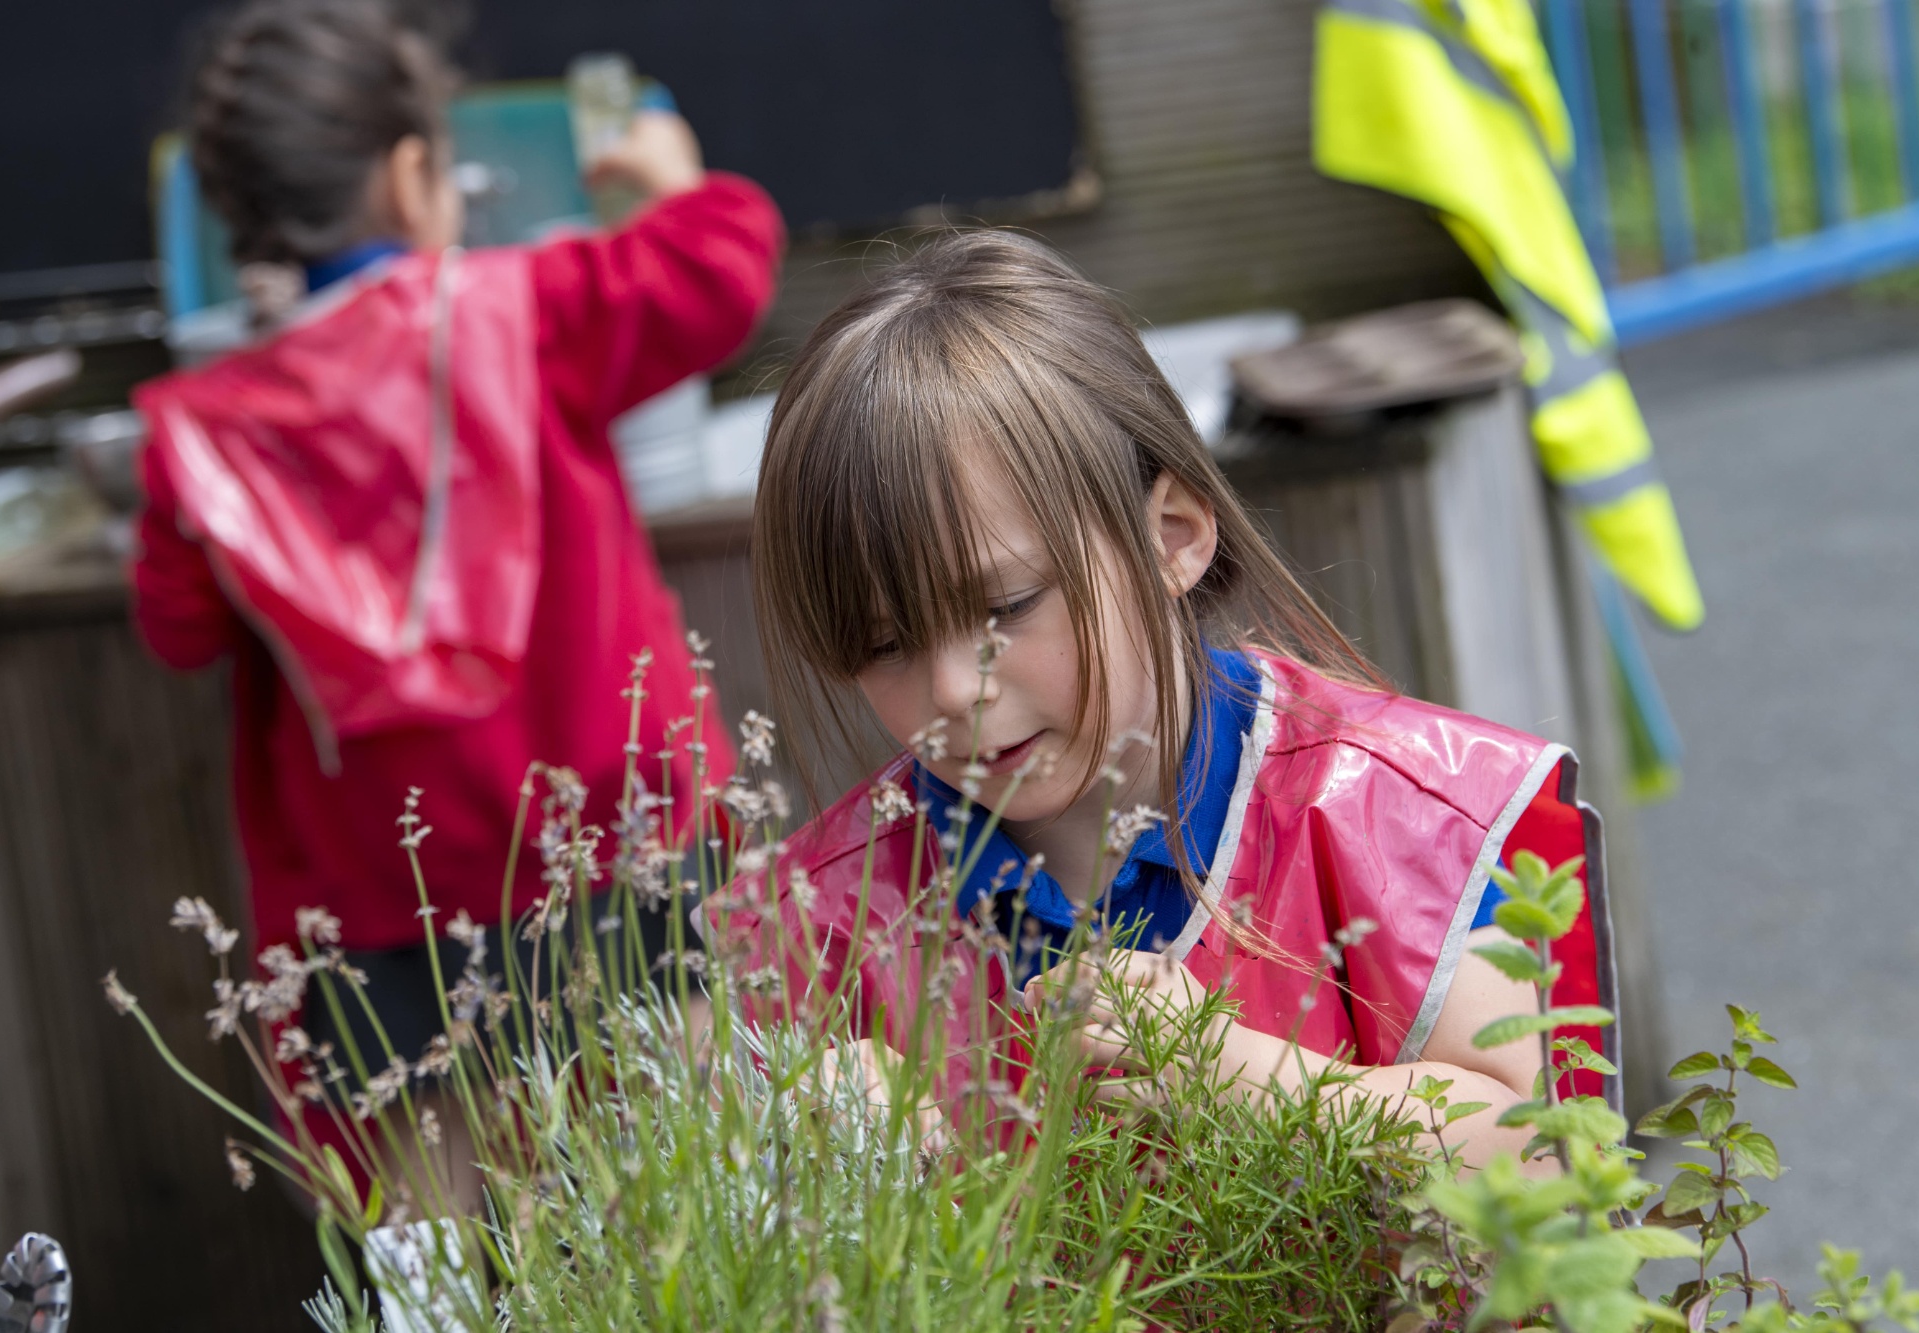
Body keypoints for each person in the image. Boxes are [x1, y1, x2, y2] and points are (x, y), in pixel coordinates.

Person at [712, 230, 1610, 1169]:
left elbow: (1539, 1156)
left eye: (1004, 606)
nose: (948, 692)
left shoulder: (1407, 808)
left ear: (1173, 535)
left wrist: (1239, 1075)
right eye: (883, 645)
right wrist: (801, 1172)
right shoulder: (814, 919)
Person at [130, 0, 783, 1203]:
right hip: (610, 844)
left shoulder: (205, 439)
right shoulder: (521, 315)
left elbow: (178, 627)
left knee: (428, 1240)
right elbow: (718, 269)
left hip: (376, 900)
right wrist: (671, 181)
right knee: (688, 1193)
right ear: (411, 168)